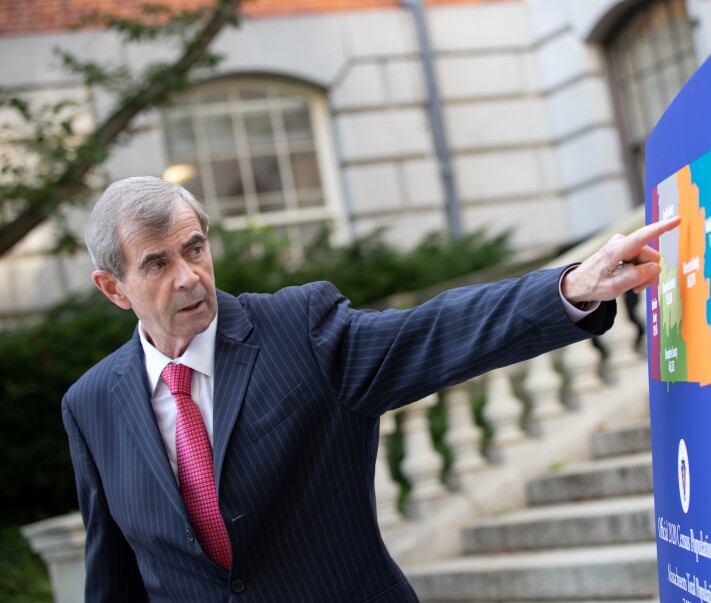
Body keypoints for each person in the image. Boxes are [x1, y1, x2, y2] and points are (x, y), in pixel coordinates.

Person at [62, 176, 679, 601]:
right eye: (157, 263)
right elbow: (114, 581)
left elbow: (431, 333)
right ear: (113, 289)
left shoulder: (298, 330)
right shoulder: (91, 407)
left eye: (194, 248)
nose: (189, 276)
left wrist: (569, 289)